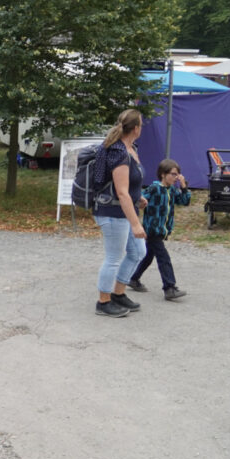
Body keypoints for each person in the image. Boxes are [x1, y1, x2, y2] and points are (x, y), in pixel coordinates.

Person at [92, 109, 148, 317]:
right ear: (135, 128)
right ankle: (103, 302)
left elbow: (130, 184)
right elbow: (121, 192)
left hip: (125, 208)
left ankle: (118, 293)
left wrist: (138, 197)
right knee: (114, 257)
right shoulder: (118, 152)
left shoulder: (130, 148)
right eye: (141, 124)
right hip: (112, 211)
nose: (141, 128)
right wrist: (135, 224)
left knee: (138, 252)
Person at [130, 159, 190, 300]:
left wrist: (184, 187)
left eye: (178, 174)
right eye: (173, 174)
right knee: (164, 258)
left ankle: (133, 278)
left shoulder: (172, 190)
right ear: (163, 174)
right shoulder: (155, 188)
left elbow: (184, 201)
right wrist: (141, 203)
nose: (176, 177)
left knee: (148, 256)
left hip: (162, 230)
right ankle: (169, 288)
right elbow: (140, 199)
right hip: (152, 229)